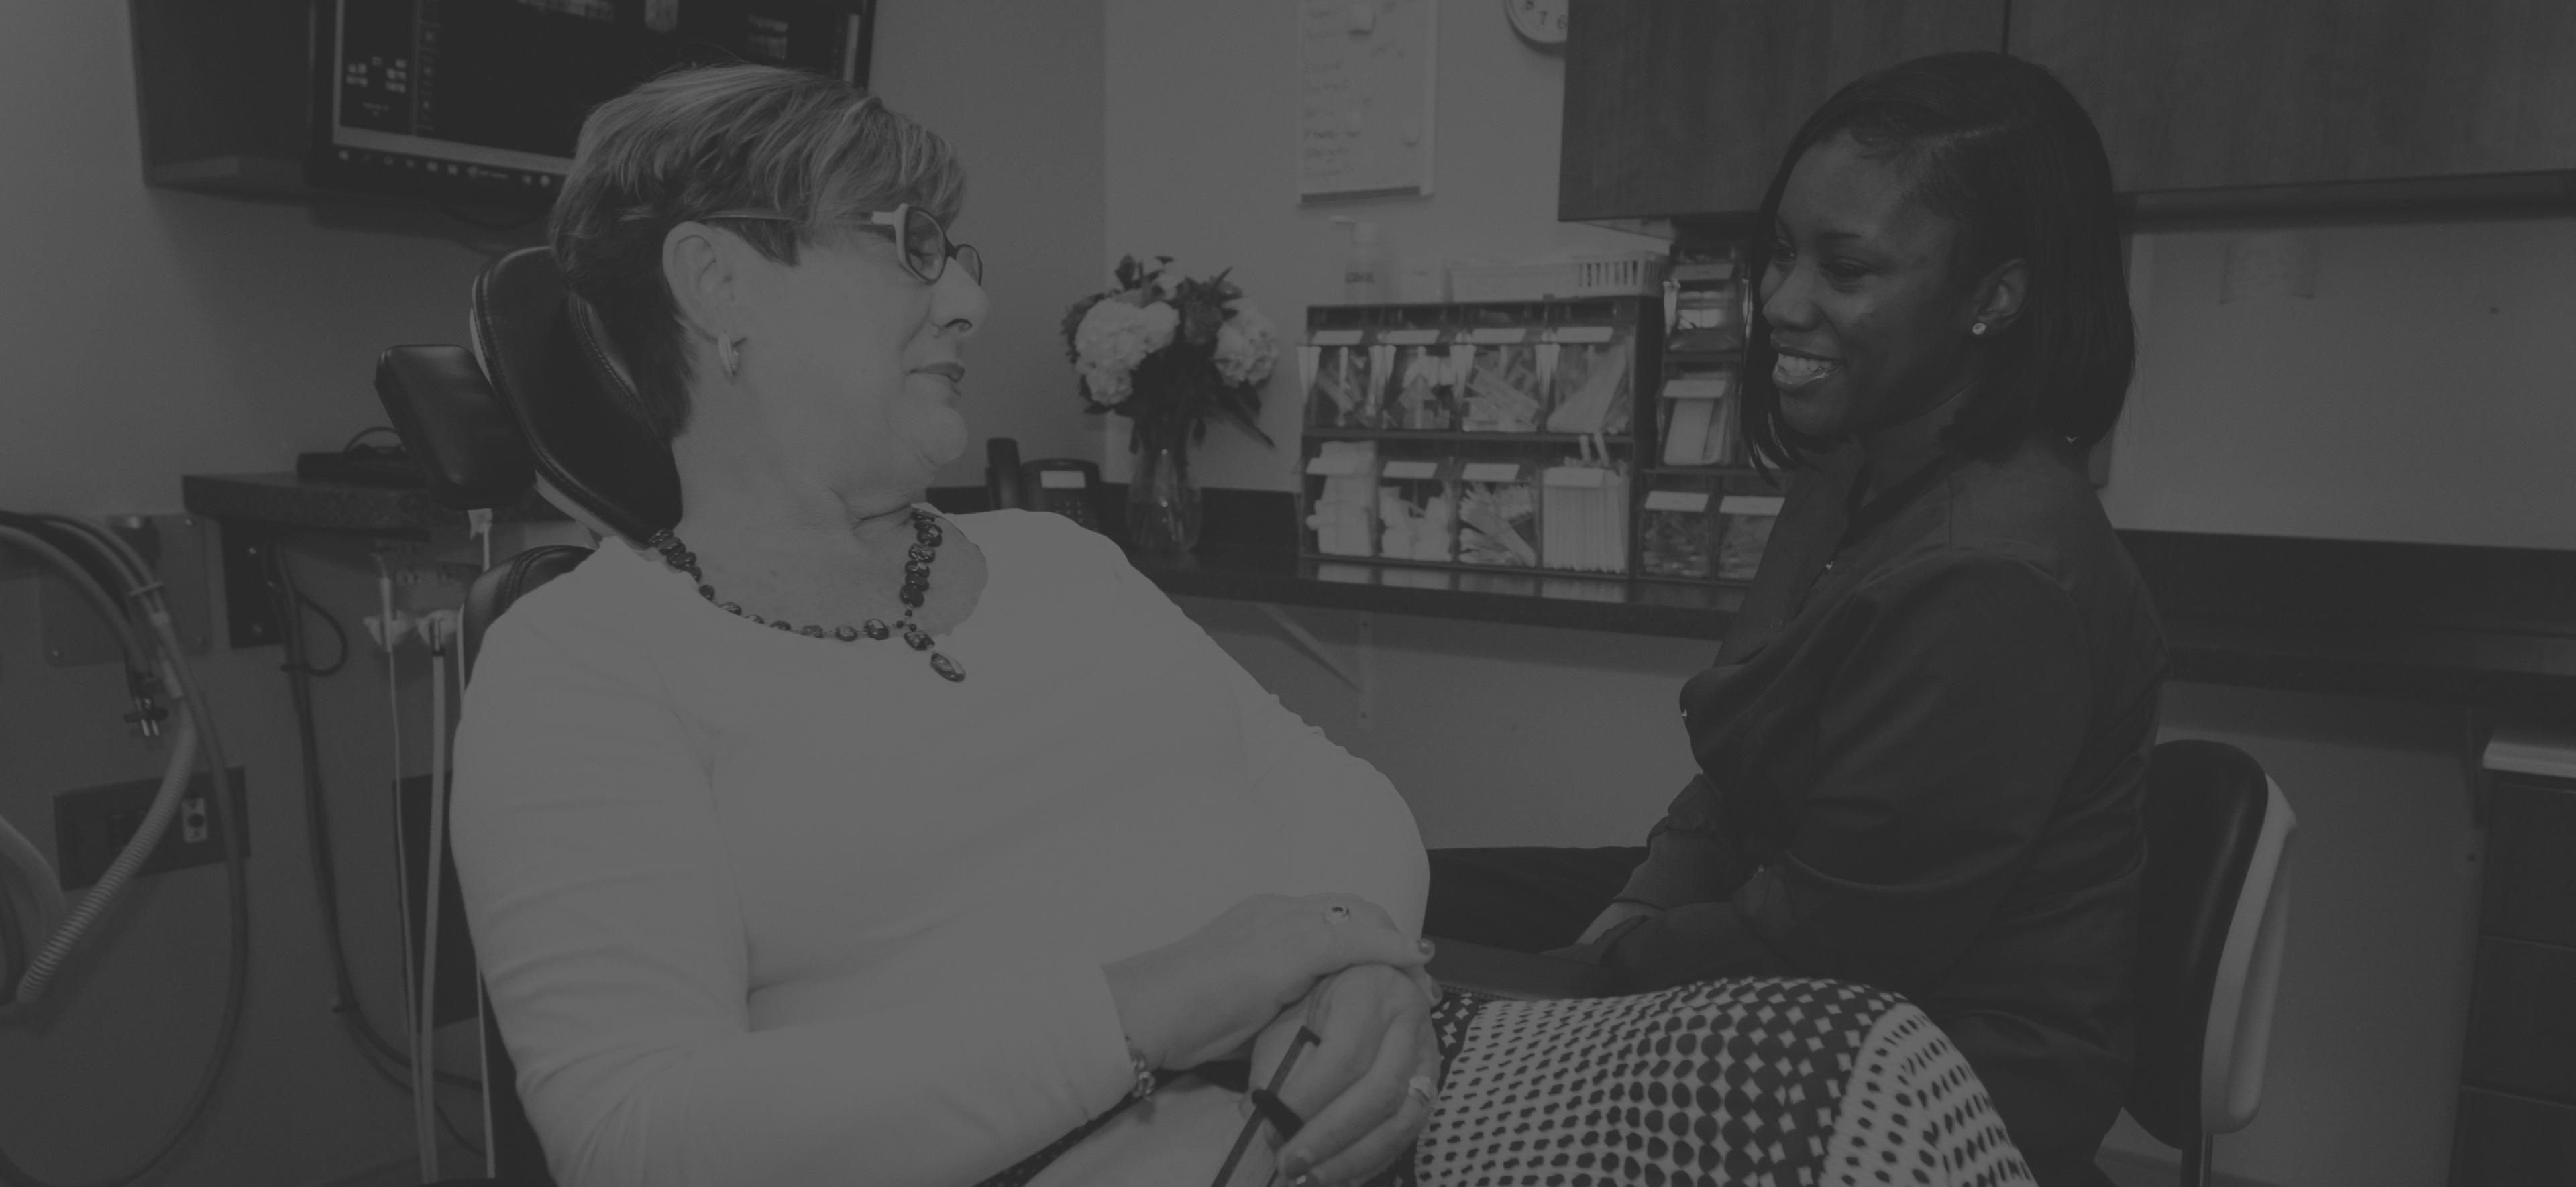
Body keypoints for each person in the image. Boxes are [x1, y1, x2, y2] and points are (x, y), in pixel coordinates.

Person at [452, 63, 2035, 1187]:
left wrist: (1364, 972)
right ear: (719, 284)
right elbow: (636, 1136)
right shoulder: (584, 664)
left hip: (1364, 1084)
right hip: (1079, 1151)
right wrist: (1146, 1010)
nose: (966, 301)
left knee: (1862, 1068)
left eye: (962, 254)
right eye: (905, 248)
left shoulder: (1058, 567)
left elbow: (1332, 791)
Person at [1424, 52, 2165, 1187]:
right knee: (1388, 888)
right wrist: (1637, 899)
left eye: (1846, 266)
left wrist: (1581, 978)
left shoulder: (1999, 571)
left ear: (1996, 297)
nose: (1778, 304)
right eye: (1780, 251)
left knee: (1397, 996)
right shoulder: (1858, 468)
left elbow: (1832, 939)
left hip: (1934, 1073)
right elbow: (1743, 771)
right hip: (1794, 931)